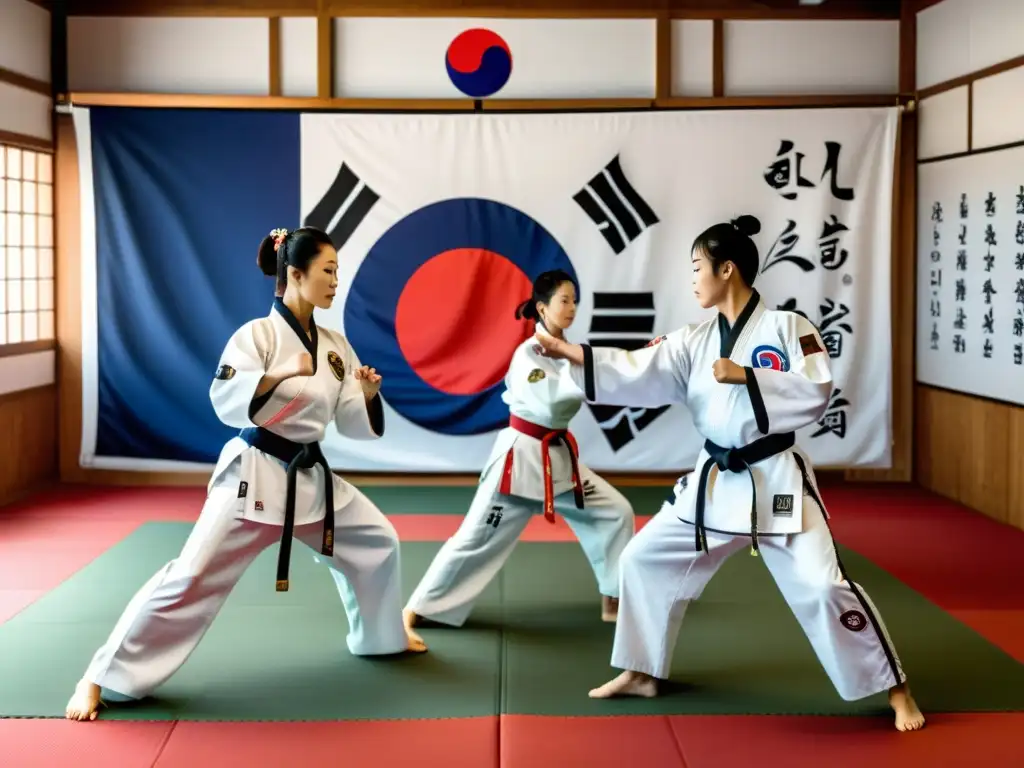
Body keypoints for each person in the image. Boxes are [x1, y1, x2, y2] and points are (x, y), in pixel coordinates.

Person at [532, 217, 925, 733]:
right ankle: (642, 670)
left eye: (698, 268)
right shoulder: (693, 340)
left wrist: (747, 375)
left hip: (775, 478)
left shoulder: (788, 327)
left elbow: (818, 386)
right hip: (716, 479)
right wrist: (570, 353)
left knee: (824, 586)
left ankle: (895, 687)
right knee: (643, 559)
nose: (693, 279)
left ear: (727, 268)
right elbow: (636, 367)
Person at [65, 226, 427, 722]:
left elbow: (345, 419)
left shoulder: (337, 345)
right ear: (295, 274)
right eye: (328, 270)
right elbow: (227, 402)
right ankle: (100, 675)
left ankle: (381, 638)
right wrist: (279, 375)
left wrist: (364, 395)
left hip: (309, 477)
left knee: (377, 542)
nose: (336, 280)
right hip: (253, 478)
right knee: (189, 579)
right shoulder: (254, 337)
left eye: (337, 271)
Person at [403, 270, 635, 632]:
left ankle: (614, 596)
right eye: (564, 300)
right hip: (520, 461)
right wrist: (593, 376)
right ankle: (420, 607)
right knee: (475, 537)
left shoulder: (566, 351)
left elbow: (583, 379)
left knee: (615, 511)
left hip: (557, 461)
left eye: (574, 300)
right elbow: (548, 405)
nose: (572, 307)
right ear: (542, 308)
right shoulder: (530, 353)